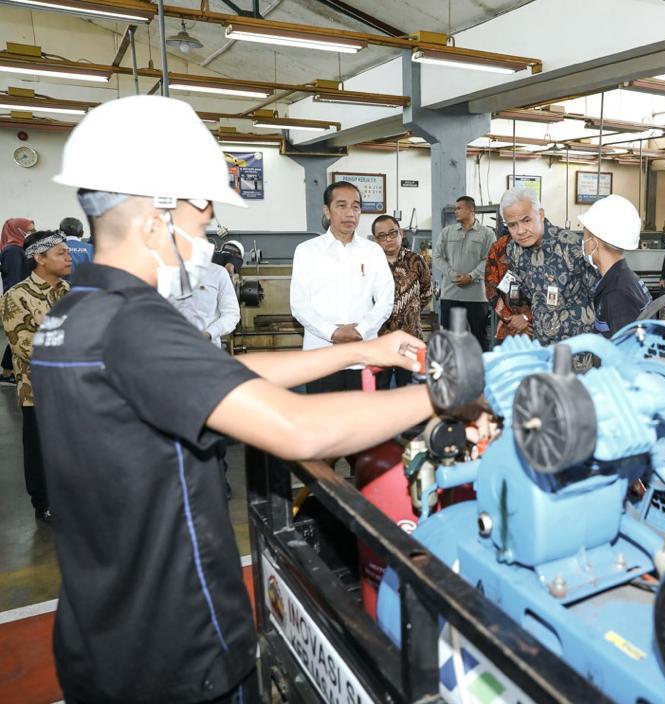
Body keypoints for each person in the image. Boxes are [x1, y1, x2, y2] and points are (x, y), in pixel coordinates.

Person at [32, 95, 432, 704]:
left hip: (101, 631)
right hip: (179, 652)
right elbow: (301, 431)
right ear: (153, 219)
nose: (205, 241)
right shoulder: (135, 324)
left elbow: (228, 369)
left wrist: (361, 354)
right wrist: (444, 394)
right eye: (200, 223)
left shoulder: (76, 314)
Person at [291, 181, 395, 393]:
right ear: (327, 211)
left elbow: (385, 300)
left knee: (363, 420)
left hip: (362, 355)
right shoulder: (307, 251)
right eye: (341, 205)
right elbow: (299, 304)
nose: (350, 213)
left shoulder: (372, 251)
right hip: (321, 356)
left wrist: (360, 330)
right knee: (323, 420)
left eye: (355, 207)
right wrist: (332, 333)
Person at [2, 230, 71, 523]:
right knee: (41, 449)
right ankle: (44, 502)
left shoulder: (68, 291)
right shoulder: (16, 297)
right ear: (39, 258)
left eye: (67, 252)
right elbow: (25, 345)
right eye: (61, 254)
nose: (68, 258)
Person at [502, 187, 597, 345]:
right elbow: (518, 292)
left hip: (578, 346)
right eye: (512, 225)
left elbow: (600, 293)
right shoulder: (513, 250)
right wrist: (524, 317)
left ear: (540, 214)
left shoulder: (571, 246)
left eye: (526, 220)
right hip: (541, 346)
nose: (520, 231)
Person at [579, 195, 652, 337]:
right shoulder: (624, 278)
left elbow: (627, 353)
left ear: (593, 244)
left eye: (584, 236)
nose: (582, 242)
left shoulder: (616, 294)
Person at [372, 214, 431, 389]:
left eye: (393, 233)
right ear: (375, 239)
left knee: (410, 388)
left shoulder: (416, 261)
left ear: (401, 233)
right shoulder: (371, 263)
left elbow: (426, 292)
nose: (389, 239)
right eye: (382, 236)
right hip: (379, 338)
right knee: (379, 388)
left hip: (410, 337)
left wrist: (408, 310)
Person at [435, 195, 495, 351]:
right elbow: (437, 256)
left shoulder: (487, 234)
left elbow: (489, 260)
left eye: (459, 208)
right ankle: (450, 370)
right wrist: (452, 275)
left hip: (476, 295)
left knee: (478, 335)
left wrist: (471, 276)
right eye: (455, 208)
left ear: (471, 210)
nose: (456, 211)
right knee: (449, 336)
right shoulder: (447, 232)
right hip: (450, 294)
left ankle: (482, 370)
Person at [170, 261, 240, 347]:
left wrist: (210, 333)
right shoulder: (161, 273)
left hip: (207, 349)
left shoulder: (218, 273)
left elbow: (232, 313)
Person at [485, 226, 532, 343]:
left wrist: (527, 318)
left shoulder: (547, 247)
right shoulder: (499, 247)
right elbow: (490, 288)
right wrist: (510, 319)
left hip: (539, 330)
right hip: (508, 329)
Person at [1, 218, 34, 382]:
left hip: (24, 296)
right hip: (17, 299)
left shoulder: (21, 248)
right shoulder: (12, 250)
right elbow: (14, 280)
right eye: (28, 230)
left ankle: (7, 372)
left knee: (20, 335)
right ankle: (8, 373)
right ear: (17, 230)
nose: (31, 233)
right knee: (19, 336)